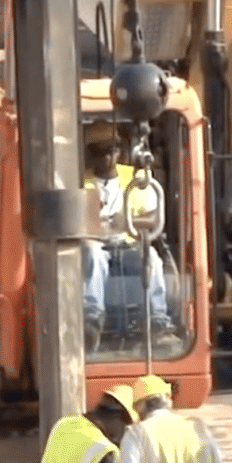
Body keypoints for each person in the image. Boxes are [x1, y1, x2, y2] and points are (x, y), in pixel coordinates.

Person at [82, 140, 177, 348]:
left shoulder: (136, 179)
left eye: (110, 151)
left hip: (127, 244)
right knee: (91, 254)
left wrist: (127, 222)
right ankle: (91, 318)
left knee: (151, 257)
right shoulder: (81, 181)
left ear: (119, 152)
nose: (105, 158)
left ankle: (158, 321)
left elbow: (154, 218)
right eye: (99, 152)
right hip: (96, 243)